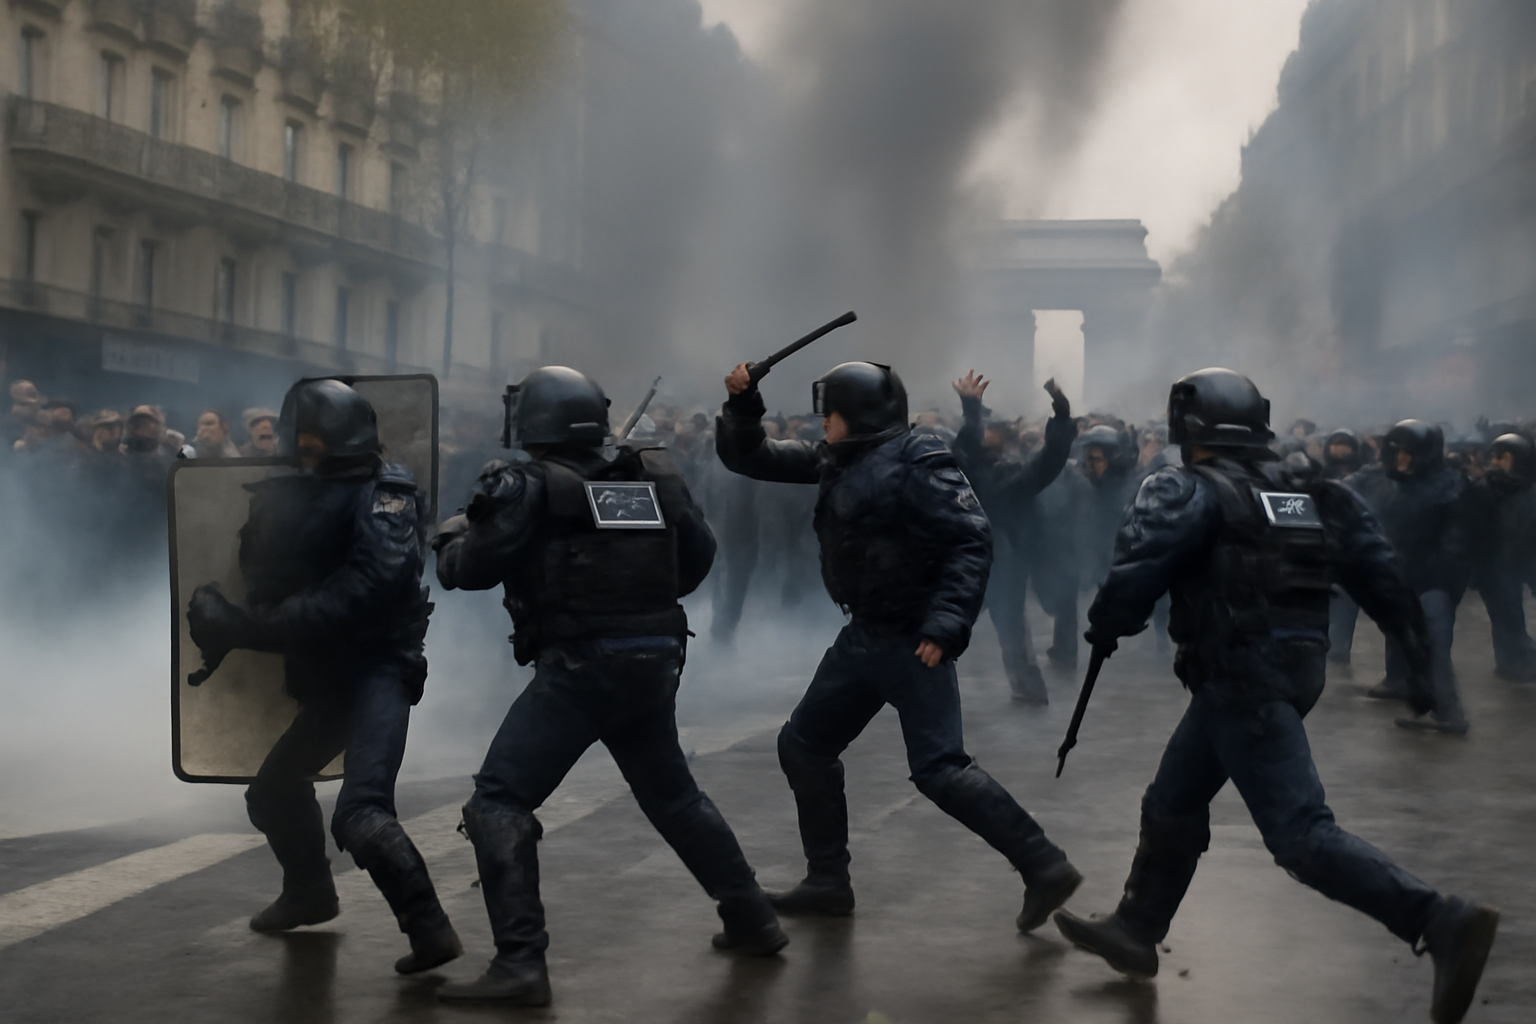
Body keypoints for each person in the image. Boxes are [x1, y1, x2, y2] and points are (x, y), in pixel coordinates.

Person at [1053, 369, 1498, 1024]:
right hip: (1289, 668)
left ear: (1187, 425)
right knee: (1173, 801)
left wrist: (1108, 620)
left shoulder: (1185, 487)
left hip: (1241, 679)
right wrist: (1420, 657)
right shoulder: (1310, 491)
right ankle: (1137, 927)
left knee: (1300, 835)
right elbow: (1379, 571)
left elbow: (1137, 566)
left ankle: (1439, 919)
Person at [433, 367, 786, 1007]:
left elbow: (470, 570)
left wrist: (455, 532)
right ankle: (752, 917)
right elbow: (698, 558)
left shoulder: (528, 484)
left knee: (498, 804)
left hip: (580, 663)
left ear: (534, 421)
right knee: (672, 795)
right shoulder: (651, 477)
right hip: (654, 657)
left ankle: (520, 963)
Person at [716, 358, 1081, 931]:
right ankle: (828, 880)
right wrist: (742, 403)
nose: (822, 427)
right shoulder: (840, 459)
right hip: (864, 636)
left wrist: (945, 624)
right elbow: (751, 456)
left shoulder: (918, 460)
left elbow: (970, 538)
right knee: (804, 745)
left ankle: (1044, 864)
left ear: (852, 416)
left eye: (829, 416)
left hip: (912, 640)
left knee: (939, 768)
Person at [185, 379, 458, 976]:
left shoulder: (384, 492)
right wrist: (226, 625)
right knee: (273, 792)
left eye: (315, 440)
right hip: (324, 674)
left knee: (361, 811)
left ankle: (430, 929)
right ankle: (310, 894)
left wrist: (253, 629)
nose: (306, 450)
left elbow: (371, 587)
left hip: (377, 668)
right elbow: (272, 580)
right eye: (300, 440)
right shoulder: (289, 493)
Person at [951, 370, 1076, 703]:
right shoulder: (963, 470)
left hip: (1002, 566)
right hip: (966, 562)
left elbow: (1048, 463)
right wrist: (971, 408)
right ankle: (920, 687)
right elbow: (963, 447)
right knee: (942, 627)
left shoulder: (1012, 478)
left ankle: (1030, 692)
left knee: (1012, 633)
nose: (991, 430)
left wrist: (1062, 419)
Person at [1345, 420, 1471, 733]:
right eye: (1396, 452)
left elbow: (1457, 540)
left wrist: (1442, 578)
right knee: (1397, 631)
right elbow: (1343, 489)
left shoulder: (1451, 485)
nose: (1402, 459)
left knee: (1433, 643)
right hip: (1397, 569)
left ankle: (1449, 712)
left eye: (1409, 453)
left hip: (1433, 579)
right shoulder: (1378, 478)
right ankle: (1399, 681)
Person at [1469, 433, 1536, 681]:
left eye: (1503, 458)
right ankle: (1511, 662)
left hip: (1526, 561)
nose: (1496, 463)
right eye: (1494, 457)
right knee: (1506, 616)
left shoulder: (1530, 494)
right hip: (1495, 565)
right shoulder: (1482, 491)